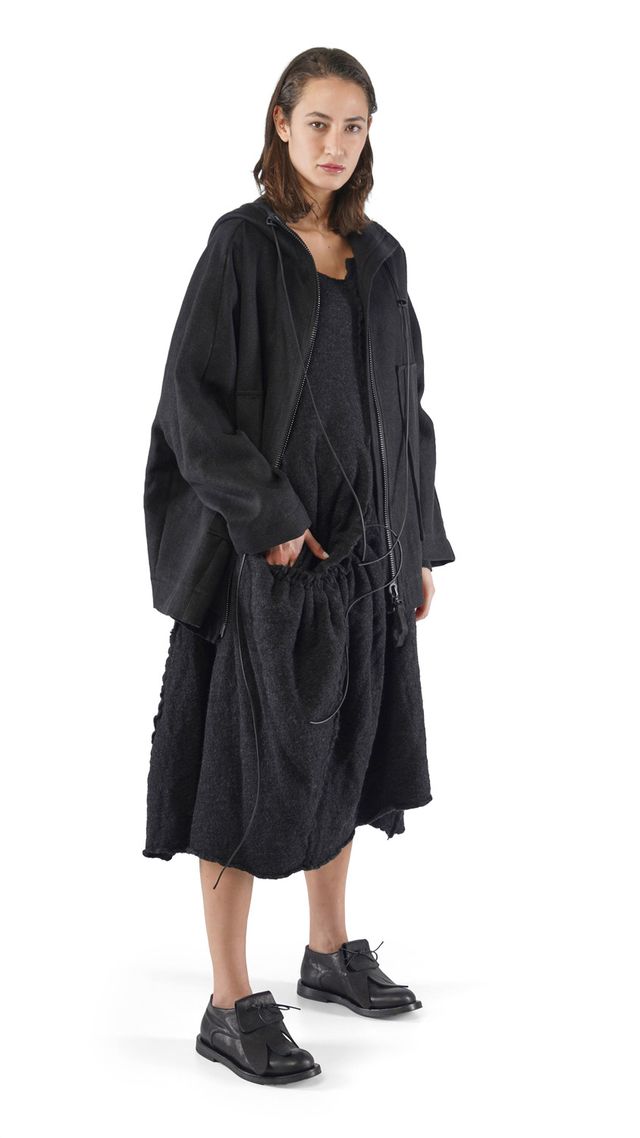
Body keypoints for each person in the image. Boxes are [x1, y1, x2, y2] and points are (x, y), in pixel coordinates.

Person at [142, 46, 455, 1086]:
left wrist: (414, 540)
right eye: (317, 122)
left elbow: (405, 411)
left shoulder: (379, 257)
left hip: (364, 560)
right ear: (280, 123)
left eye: (353, 126)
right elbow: (192, 402)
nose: (335, 144)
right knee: (240, 772)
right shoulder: (242, 247)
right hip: (266, 565)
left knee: (348, 751)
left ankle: (327, 950)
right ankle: (230, 1001)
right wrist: (268, 516)